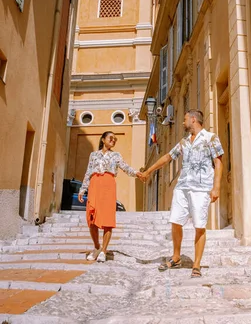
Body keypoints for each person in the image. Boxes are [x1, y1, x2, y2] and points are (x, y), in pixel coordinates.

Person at [141, 109, 223, 278]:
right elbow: (167, 157)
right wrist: (148, 171)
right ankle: (176, 257)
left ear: (193, 119)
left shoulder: (211, 138)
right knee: (175, 221)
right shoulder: (184, 142)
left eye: (185, 119)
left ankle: (197, 264)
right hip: (182, 187)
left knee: (200, 226)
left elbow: (218, 162)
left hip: (201, 188)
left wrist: (216, 187)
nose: (183, 122)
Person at [78, 130, 140, 262]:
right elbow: (89, 171)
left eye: (115, 139)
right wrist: (82, 189)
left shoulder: (116, 155)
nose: (113, 140)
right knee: (91, 218)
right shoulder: (93, 155)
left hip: (108, 185)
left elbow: (125, 167)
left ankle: (104, 251)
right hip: (94, 185)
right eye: (111, 138)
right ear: (103, 139)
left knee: (107, 220)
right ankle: (97, 247)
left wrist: (137, 173)